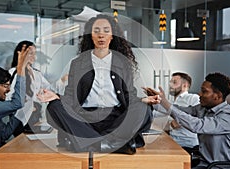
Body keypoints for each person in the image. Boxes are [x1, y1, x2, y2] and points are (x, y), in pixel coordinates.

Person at [37, 14, 160, 154]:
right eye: (96, 31)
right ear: (91, 35)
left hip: (116, 119)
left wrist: (144, 100)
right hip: (85, 119)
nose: (101, 35)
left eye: (106, 31)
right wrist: (56, 96)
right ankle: (112, 143)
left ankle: (91, 143)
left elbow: (129, 96)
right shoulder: (78, 63)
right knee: (54, 107)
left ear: (112, 36)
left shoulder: (123, 63)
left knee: (144, 109)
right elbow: (71, 97)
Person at [143, 72, 230, 169]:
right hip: (203, 164)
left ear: (217, 96)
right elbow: (179, 110)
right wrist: (154, 101)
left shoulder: (229, 116)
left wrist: (166, 104)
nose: (199, 94)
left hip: (219, 167)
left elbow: (197, 125)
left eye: (204, 91)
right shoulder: (203, 109)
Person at [6, 40, 53, 135]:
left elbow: (49, 89)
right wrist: (28, 106)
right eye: (30, 53)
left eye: (34, 54)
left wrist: (63, 80)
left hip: (36, 116)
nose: (33, 57)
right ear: (20, 54)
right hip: (20, 118)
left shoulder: (36, 73)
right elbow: (8, 98)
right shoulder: (13, 73)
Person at [146, 72, 200, 151]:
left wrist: (172, 124)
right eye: (170, 82)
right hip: (173, 140)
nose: (170, 85)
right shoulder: (171, 101)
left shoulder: (193, 98)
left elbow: (194, 118)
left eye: (174, 82)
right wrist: (151, 99)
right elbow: (157, 114)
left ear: (184, 85)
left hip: (187, 144)